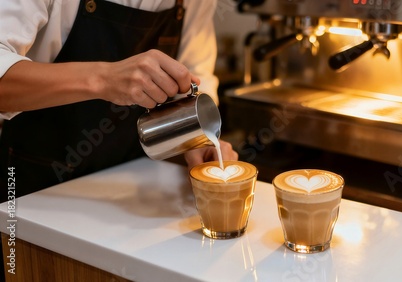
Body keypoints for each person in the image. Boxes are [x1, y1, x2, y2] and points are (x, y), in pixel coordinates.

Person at [0, 0, 238, 204]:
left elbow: (194, 72)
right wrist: (102, 79)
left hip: (130, 191)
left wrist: (197, 140)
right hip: (34, 192)